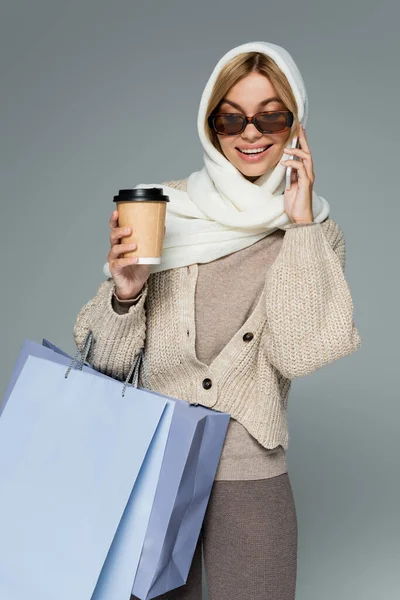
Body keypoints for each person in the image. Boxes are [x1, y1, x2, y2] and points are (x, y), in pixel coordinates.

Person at [73, 41, 362, 600]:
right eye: (231, 117)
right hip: (153, 468)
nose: (250, 133)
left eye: (270, 115)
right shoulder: (163, 209)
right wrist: (126, 293)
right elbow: (103, 360)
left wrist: (299, 227)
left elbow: (300, 353)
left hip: (251, 474)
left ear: (295, 124)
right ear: (211, 125)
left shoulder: (317, 235)